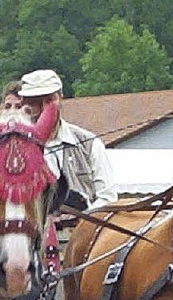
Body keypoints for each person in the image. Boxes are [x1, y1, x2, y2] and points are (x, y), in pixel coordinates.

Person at [18, 69, 117, 210]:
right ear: (23, 104)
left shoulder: (89, 144)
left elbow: (108, 199)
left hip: (82, 228)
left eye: (49, 101)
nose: (44, 109)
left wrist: (83, 218)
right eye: (35, 102)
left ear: (61, 97)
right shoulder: (11, 149)